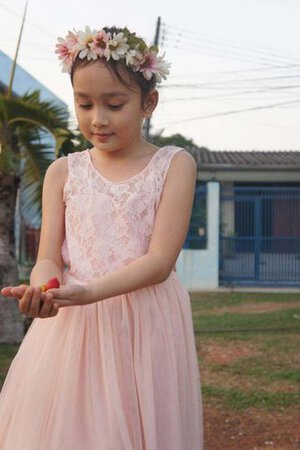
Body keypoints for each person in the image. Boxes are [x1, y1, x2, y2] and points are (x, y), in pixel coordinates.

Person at [0, 25, 203, 450]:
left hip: (145, 323)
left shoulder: (175, 164)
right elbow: (48, 257)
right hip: (72, 323)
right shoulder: (63, 172)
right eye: (84, 103)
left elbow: (160, 260)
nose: (98, 118)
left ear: (149, 102)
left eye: (114, 104)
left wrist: (90, 291)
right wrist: (44, 287)